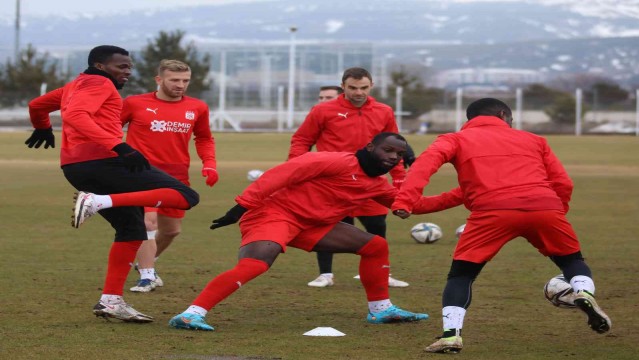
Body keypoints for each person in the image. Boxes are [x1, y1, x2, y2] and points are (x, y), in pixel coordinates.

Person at [391, 98, 612, 354]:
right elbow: (563, 182)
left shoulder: (454, 139)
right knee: (572, 262)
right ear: (503, 114)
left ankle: (451, 336)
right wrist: (555, 211)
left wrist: (405, 201)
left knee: (462, 275)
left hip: (492, 212)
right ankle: (583, 292)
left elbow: (423, 167)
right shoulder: (534, 140)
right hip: (544, 206)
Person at [169, 133, 435, 331]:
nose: (393, 157)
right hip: (274, 215)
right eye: (388, 150)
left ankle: (380, 310)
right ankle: (191, 314)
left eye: (399, 155)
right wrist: (240, 207)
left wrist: (463, 196)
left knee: (375, 246)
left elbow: (413, 205)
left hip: (311, 225)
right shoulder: (336, 161)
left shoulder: (378, 185)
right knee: (255, 265)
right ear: (370, 147)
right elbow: (282, 174)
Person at [26, 45, 200, 323]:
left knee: (132, 229)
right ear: (100, 65)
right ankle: (98, 201)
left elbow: (37, 105)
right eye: (121, 66)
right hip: (102, 163)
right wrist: (118, 146)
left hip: (75, 167)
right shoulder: (99, 83)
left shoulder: (75, 85)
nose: (128, 71)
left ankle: (110, 301)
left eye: (129, 66)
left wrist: (42, 125)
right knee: (186, 195)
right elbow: (75, 116)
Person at [290, 68, 410, 289]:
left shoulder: (384, 111)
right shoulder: (322, 111)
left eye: (363, 87)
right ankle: (325, 274)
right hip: (333, 183)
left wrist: (400, 179)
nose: (358, 92)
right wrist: (296, 169)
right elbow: (301, 140)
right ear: (343, 86)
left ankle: (382, 274)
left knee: (377, 226)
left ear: (371, 85)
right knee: (328, 228)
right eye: (353, 87)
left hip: (371, 182)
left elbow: (396, 147)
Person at [121, 59, 218, 293]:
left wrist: (210, 164)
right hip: (141, 173)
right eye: (174, 80)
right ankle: (146, 277)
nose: (180, 85)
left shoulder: (197, 107)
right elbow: (110, 129)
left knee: (172, 230)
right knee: (147, 222)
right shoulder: (134, 103)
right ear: (159, 80)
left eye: (185, 80)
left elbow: (204, 138)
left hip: (176, 175)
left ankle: (147, 264)